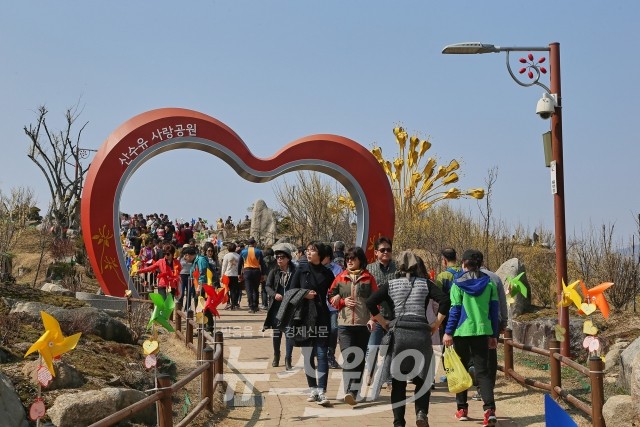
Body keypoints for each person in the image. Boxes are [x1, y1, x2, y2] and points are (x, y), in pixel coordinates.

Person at [366, 251, 450, 427]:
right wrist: (436, 323)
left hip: (399, 334)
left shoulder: (391, 284)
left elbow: (371, 302)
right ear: (417, 266)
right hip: (420, 334)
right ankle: (421, 414)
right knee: (422, 378)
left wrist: (383, 322)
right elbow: (444, 300)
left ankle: (398, 422)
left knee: (398, 381)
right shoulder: (426, 283)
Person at [443, 249, 499, 427]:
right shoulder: (489, 284)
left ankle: (462, 409)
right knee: (483, 373)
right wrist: (493, 335)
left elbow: (455, 310)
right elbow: (494, 311)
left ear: (463, 264)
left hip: (461, 332)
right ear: (480, 265)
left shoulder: (457, 284)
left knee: (461, 370)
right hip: (482, 332)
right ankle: (489, 410)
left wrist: (448, 332)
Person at [329, 246, 377, 405]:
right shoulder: (340, 277)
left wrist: (373, 319)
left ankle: (353, 392)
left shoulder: (368, 278)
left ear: (360, 260)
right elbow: (330, 295)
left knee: (359, 358)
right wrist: (341, 301)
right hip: (344, 324)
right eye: (347, 258)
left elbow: (375, 301)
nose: (349, 261)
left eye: (353, 258)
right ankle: (349, 391)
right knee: (349, 356)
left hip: (363, 324)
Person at [289, 241, 335, 407]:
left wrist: (337, 298)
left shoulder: (328, 273)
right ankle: (313, 389)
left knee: (322, 353)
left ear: (320, 255)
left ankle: (322, 390)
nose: (308, 253)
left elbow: (333, 293)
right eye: (307, 250)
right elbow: (290, 293)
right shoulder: (300, 270)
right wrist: (304, 294)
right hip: (304, 317)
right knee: (308, 353)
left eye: (312, 251)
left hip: (322, 316)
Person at [365, 236, 396, 388]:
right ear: (376, 252)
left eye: (388, 250)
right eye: (382, 250)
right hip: (375, 316)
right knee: (372, 348)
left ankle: (389, 378)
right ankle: (369, 374)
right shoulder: (369, 269)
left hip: (394, 316)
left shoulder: (398, 269)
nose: (386, 252)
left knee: (391, 349)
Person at [263, 247, 297, 370]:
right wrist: (274, 294)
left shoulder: (295, 271)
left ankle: (288, 358)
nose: (279, 260)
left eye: (282, 257)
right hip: (276, 306)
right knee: (277, 333)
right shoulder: (274, 271)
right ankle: (276, 356)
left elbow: (299, 287)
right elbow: (267, 286)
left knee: (289, 333)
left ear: (288, 259)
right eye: (277, 257)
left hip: (291, 307)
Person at [435, 248, 461, 383]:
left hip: (448, 316)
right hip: (463, 316)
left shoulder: (442, 276)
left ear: (444, 260)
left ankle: (451, 373)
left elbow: (438, 298)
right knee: (461, 344)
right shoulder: (464, 272)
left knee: (448, 345)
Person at [320, 244, 343, 369]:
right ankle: (320, 355)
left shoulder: (338, 269)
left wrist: (339, 295)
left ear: (328, 257)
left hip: (333, 306)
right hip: (319, 306)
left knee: (334, 329)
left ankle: (330, 355)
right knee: (321, 331)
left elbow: (342, 285)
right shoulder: (315, 268)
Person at [239, 237, 266, 313]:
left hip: (247, 271)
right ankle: (256, 306)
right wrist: (263, 274)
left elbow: (240, 264)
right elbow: (262, 264)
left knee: (249, 290)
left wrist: (239, 274)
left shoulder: (243, 251)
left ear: (248, 244)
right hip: (256, 271)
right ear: (254, 244)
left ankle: (251, 307)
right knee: (255, 289)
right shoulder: (259, 251)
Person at [220, 242, 241, 310]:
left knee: (226, 289)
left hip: (227, 274)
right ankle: (234, 304)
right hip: (235, 275)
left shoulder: (226, 256)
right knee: (233, 290)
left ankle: (228, 303)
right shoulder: (238, 256)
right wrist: (240, 274)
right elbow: (241, 266)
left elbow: (224, 266)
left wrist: (222, 275)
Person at [178, 244, 195, 311]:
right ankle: (179, 306)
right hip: (182, 275)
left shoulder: (192, 258)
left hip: (190, 276)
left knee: (189, 292)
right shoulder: (180, 258)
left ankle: (187, 307)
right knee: (181, 292)